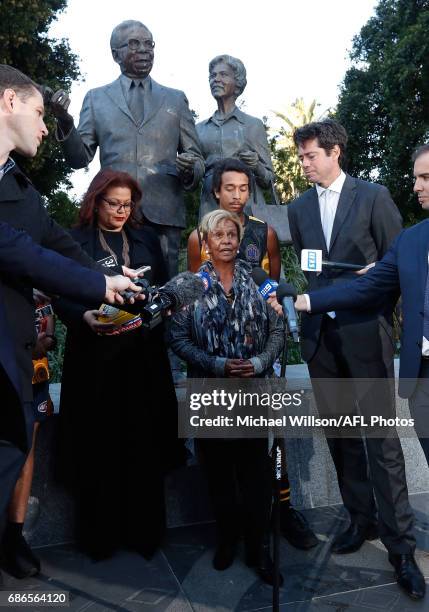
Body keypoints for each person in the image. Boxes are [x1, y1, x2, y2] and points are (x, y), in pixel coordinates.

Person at [0, 64, 140, 583]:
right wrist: (99, 287)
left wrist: (108, 273)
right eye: (40, 114)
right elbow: (17, 251)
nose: (44, 128)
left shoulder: (16, 182)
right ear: (9, 101)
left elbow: (51, 241)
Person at [284, 118, 424, 600]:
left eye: (310, 156)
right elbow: (310, 272)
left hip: (367, 336)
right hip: (321, 338)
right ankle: (358, 519)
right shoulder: (298, 208)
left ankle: (401, 547)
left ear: (335, 152)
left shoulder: (375, 196)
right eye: (300, 157)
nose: (303, 164)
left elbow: (402, 266)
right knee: (342, 437)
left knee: (382, 442)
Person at [54, 168, 185, 561]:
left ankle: (145, 535)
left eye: (127, 204)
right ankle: (100, 539)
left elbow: (164, 286)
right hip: (95, 361)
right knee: (99, 447)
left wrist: (159, 305)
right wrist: (83, 316)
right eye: (113, 203)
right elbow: (61, 291)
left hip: (142, 360)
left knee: (143, 446)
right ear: (95, 201)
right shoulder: (73, 241)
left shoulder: (146, 238)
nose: (121, 211)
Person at [188, 157, 318, 549]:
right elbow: (199, 296)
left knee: (272, 436)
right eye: (230, 188)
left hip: (265, 352)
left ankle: (282, 510)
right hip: (221, 360)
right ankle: (234, 525)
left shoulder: (265, 233)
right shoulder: (199, 237)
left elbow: (274, 290)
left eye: (244, 188)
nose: (238, 196)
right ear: (216, 191)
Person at [170, 209, 284, 585]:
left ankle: (257, 548)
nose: (226, 240)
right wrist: (217, 365)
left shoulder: (258, 280)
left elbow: (278, 332)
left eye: (232, 234)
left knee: (256, 476)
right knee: (218, 475)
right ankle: (226, 541)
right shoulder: (189, 286)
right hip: (210, 394)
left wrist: (258, 362)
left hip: (253, 395)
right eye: (218, 235)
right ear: (204, 242)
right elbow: (176, 339)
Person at [50, 19, 204, 278]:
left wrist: (190, 167)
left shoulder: (175, 99)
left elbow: (197, 158)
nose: (144, 49)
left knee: (165, 292)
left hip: (162, 213)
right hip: (111, 214)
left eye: (148, 43)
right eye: (134, 44)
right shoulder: (96, 99)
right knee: (112, 288)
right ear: (115, 54)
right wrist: (65, 122)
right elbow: (79, 158)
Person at [196, 55, 274, 220]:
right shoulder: (199, 129)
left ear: (237, 82)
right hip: (210, 211)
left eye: (223, 75)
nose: (216, 79)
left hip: (246, 210)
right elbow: (191, 180)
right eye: (213, 75)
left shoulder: (253, 125)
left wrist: (256, 165)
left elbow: (268, 179)